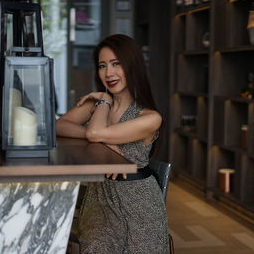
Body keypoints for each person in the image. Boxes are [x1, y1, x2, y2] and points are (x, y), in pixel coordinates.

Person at [56, 34, 169, 253]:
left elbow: (97, 131)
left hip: (139, 204)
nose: (109, 73)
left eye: (116, 64)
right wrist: (99, 136)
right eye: (102, 65)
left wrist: (97, 130)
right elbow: (59, 126)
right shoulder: (98, 106)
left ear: (132, 66)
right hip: (100, 196)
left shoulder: (150, 117)